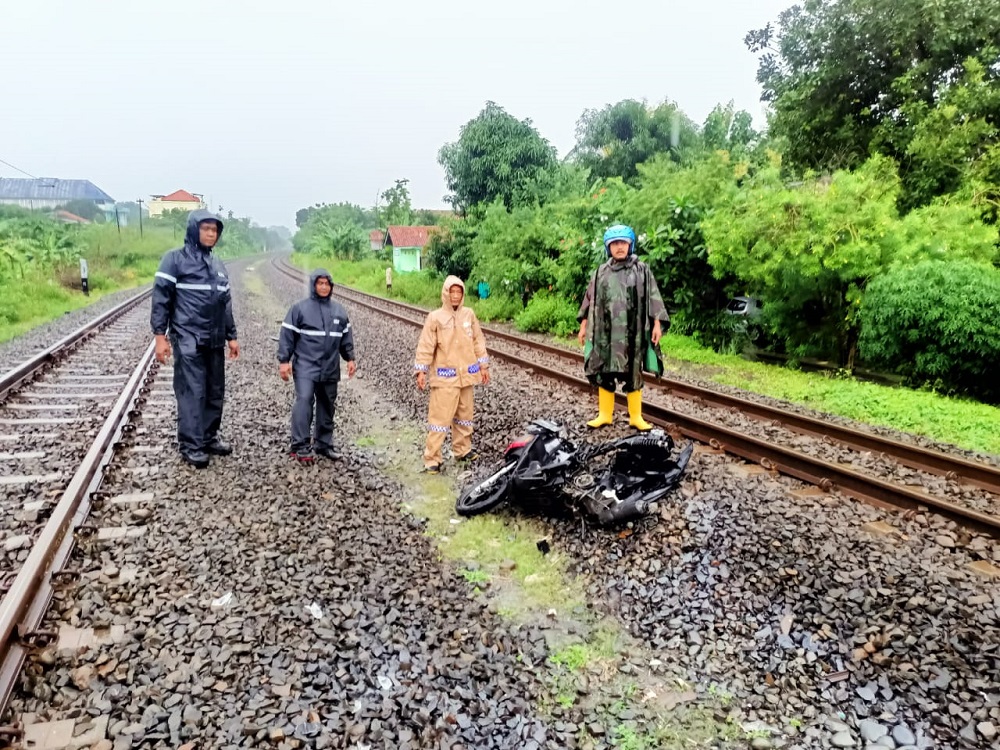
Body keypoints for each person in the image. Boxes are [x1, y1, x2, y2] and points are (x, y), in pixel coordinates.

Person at [151, 209, 239, 468]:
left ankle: (209, 437)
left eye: (215, 230)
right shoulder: (174, 260)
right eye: (206, 229)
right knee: (192, 391)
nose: (211, 234)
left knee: (214, 390)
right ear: (194, 230)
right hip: (187, 335)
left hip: (214, 338)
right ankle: (191, 444)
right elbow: (161, 299)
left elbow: (225, 304)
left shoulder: (218, 265)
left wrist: (231, 336)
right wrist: (160, 337)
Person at [577, 224, 667, 431]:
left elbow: (654, 297)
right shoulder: (600, 272)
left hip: (632, 332)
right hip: (605, 333)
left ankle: (636, 417)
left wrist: (656, 324)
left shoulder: (642, 270)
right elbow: (589, 301)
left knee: (634, 371)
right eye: (615, 243)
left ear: (630, 245)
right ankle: (604, 415)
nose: (619, 247)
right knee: (603, 370)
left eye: (623, 243)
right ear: (609, 247)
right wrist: (584, 326)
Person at [277, 269, 356, 463]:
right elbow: (287, 336)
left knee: (327, 404)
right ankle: (300, 445)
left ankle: (323, 443)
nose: (323, 287)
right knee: (304, 401)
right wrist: (284, 361)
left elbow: (346, 338)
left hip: (330, 366)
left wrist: (350, 358)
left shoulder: (339, 311)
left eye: (326, 284)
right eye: (319, 283)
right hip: (305, 365)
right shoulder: (299, 309)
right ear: (313, 285)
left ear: (331, 287)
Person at [413, 276, 490, 473]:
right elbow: (426, 345)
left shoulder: (469, 315)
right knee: (440, 419)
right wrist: (421, 370)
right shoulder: (435, 317)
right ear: (446, 294)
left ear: (463, 294)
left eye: (459, 292)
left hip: (467, 376)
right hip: (444, 377)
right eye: (452, 292)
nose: (455, 296)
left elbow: (478, 342)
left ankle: (462, 450)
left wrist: (483, 366)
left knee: (465, 416)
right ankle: (432, 458)